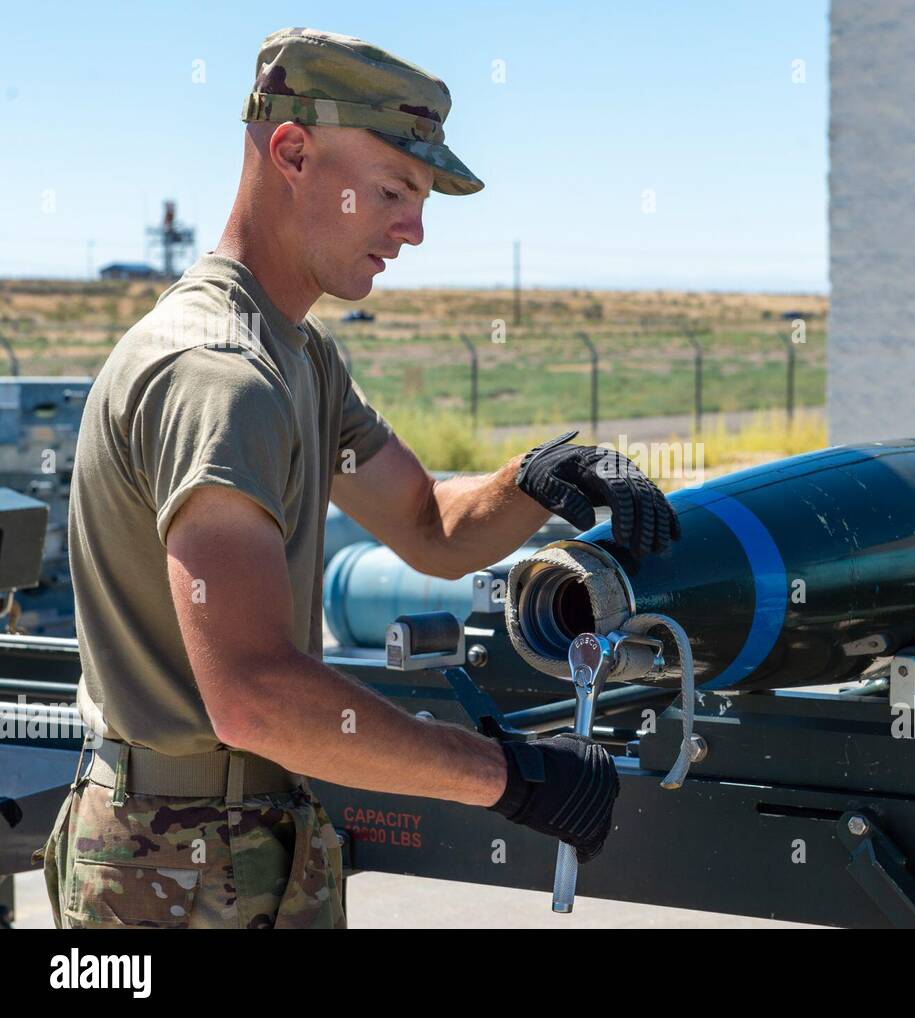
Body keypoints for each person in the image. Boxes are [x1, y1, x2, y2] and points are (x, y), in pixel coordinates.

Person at [36, 27, 679, 929]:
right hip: (171, 867)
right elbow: (254, 694)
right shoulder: (218, 373)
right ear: (292, 151)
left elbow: (429, 528)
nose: (413, 229)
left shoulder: (296, 356)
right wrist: (509, 777)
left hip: (234, 838)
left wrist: (538, 476)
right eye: (392, 191)